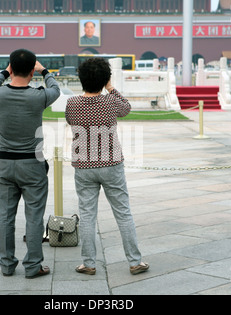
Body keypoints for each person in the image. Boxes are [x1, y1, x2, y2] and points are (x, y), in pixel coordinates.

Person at [65, 58, 149, 276]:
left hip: (83, 165)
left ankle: (88, 263)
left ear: (81, 79)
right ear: (104, 79)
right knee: (123, 213)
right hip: (111, 163)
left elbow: (69, 120)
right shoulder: (110, 102)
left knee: (87, 215)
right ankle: (134, 261)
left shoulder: (72, 103)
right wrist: (110, 87)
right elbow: (127, 108)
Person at [0, 49, 60, 279]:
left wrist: (4, 72)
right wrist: (44, 70)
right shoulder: (39, 96)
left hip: (5, 162)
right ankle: (33, 265)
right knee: (34, 216)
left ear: (11, 68)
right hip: (32, 163)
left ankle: (7, 265)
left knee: (5, 216)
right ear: (32, 71)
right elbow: (56, 89)